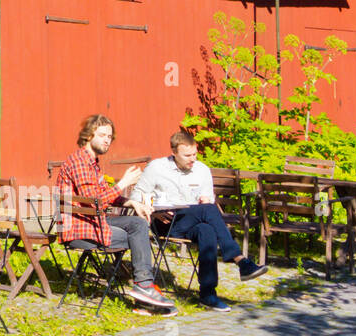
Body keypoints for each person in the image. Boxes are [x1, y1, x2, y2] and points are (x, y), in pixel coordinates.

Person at [132, 130, 267, 311]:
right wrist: (152, 210)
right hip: (163, 220)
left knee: (207, 230)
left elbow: (207, 199)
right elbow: (136, 195)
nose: (192, 159)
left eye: (195, 154)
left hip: (193, 219)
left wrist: (205, 200)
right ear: (174, 153)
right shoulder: (157, 167)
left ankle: (208, 294)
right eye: (187, 155)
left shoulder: (202, 170)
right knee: (208, 212)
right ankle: (240, 260)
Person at [54, 114, 174, 312]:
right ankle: (144, 289)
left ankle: (143, 289)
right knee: (135, 235)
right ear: (88, 136)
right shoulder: (79, 162)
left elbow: (103, 196)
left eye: (110, 136)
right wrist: (123, 184)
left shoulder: (92, 163)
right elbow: (95, 203)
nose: (107, 140)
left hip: (93, 222)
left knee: (138, 224)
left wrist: (132, 202)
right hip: (77, 229)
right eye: (102, 135)